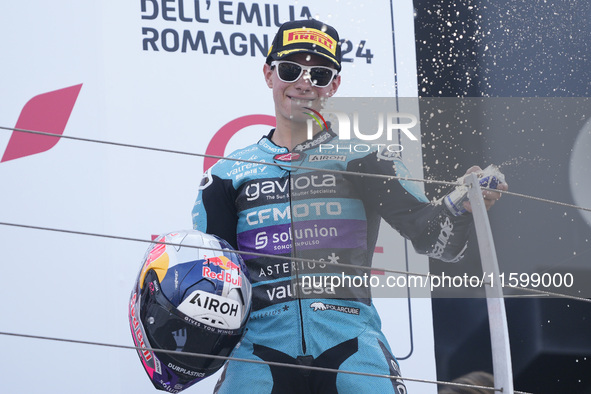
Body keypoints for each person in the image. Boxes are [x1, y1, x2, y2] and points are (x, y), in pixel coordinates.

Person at [192, 18, 507, 393]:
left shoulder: (365, 159)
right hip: (257, 353)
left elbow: (431, 237)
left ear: (335, 85)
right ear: (268, 73)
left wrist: (461, 206)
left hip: (352, 348)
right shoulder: (227, 175)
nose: (304, 82)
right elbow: (209, 275)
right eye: (291, 69)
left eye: (320, 74)